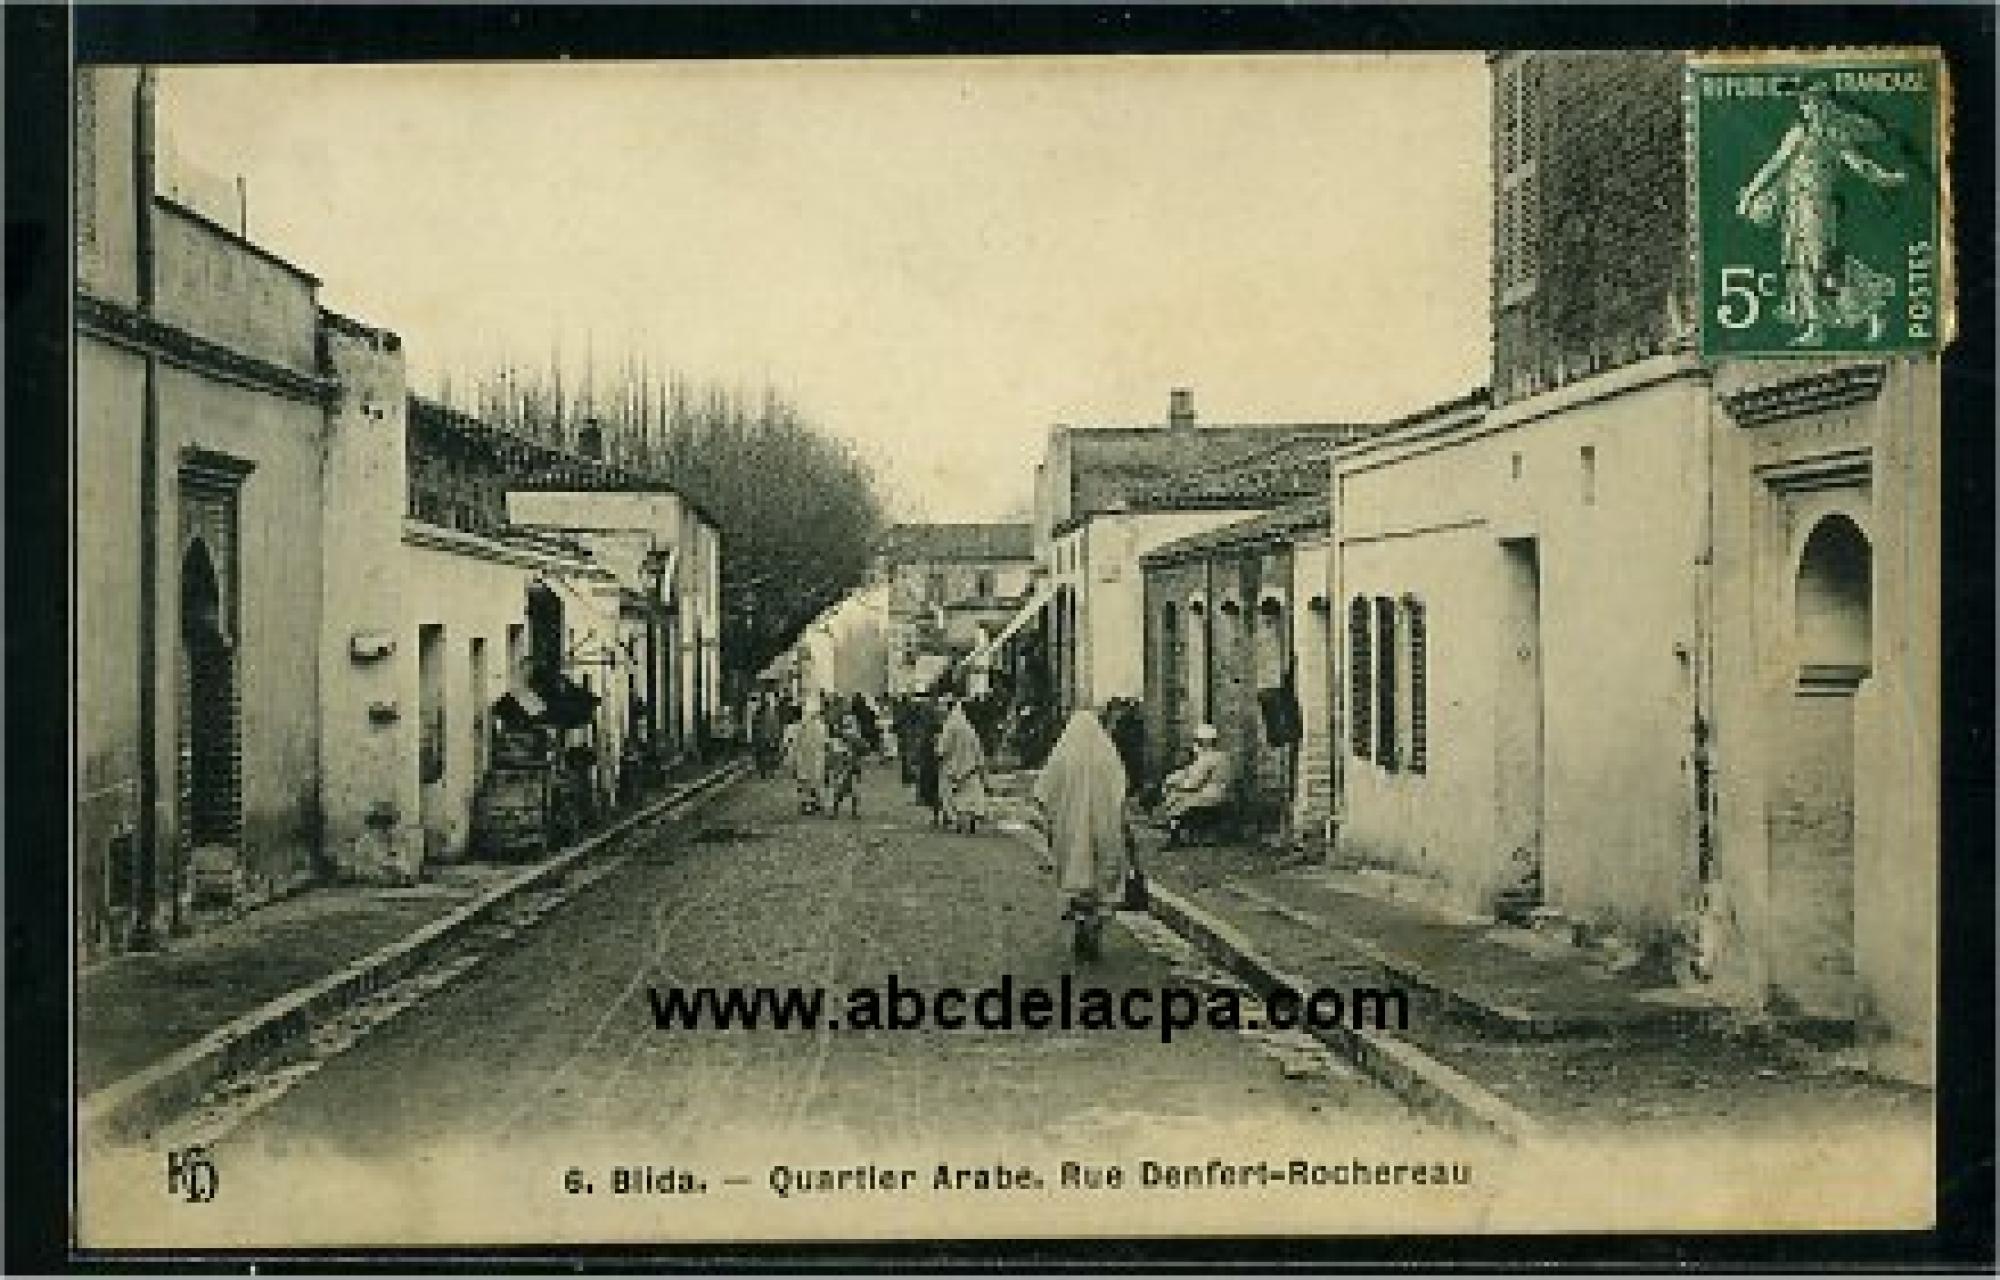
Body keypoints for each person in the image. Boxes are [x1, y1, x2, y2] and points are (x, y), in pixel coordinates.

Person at [1735, 82, 1909, 347]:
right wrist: (1750, 195)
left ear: (1826, 105)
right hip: (1794, 206)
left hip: (1818, 207)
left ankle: (1873, 311)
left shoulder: (1834, 134)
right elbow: (1775, 165)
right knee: (1798, 263)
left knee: (1822, 264)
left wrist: (1888, 178)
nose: (1810, 108)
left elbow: (1861, 165)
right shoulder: (1797, 133)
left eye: (1815, 103)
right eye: (1805, 103)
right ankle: (1815, 326)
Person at [1031, 709, 1131, 962]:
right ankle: (1094, 930)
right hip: (1104, 829)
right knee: (1101, 878)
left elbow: (1042, 792)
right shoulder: (1108, 757)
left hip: (1070, 832)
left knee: (1075, 877)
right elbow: (1122, 791)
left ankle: (1078, 924)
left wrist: (1051, 820)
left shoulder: (1063, 756)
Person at [1158, 723, 1232, 842]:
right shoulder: (1221, 756)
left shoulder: (1206, 759)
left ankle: (1174, 834)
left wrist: (1176, 786)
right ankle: (1178, 828)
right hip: (1220, 793)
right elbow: (1189, 771)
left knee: (1175, 798)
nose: (1195, 744)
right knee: (1178, 796)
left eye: (1197, 741)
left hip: (1208, 795)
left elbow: (1194, 783)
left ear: (1204, 742)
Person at [935, 694, 989, 834]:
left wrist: (938, 756)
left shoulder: (949, 726)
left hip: (952, 766)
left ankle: (957, 821)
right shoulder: (966, 725)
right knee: (971, 796)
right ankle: (970, 820)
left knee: (951, 795)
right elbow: (977, 747)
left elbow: (942, 749)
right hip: (970, 766)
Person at [789, 698, 830, 815]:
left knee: (807, 782)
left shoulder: (801, 727)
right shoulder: (820, 726)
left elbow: (795, 744)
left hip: (807, 758)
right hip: (814, 758)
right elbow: (825, 743)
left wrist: (792, 759)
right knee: (815, 781)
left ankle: (810, 804)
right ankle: (815, 803)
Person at [914, 697, 945, 823]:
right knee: (936, 789)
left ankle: (938, 815)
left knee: (933, 789)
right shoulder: (940, 727)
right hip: (934, 762)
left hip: (931, 762)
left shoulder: (929, 730)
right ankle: (940, 815)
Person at [751, 692, 784, 778]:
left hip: (766, 737)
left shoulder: (768, 713)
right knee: (766, 754)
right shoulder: (765, 713)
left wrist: (777, 735)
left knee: (768, 754)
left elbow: (776, 725)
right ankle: (766, 770)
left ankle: (766, 770)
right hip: (765, 737)